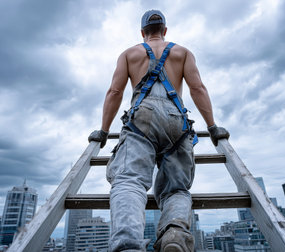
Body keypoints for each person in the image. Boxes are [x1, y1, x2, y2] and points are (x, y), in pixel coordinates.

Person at [89, 10, 229, 252]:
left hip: (141, 119)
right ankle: (174, 234)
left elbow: (114, 92)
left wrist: (103, 131)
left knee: (128, 180)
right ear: (164, 31)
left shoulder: (129, 54)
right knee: (176, 188)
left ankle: (128, 245)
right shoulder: (182, 53)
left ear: (143, 33)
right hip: (177, 120)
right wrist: (213, 127)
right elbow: (198, 89)